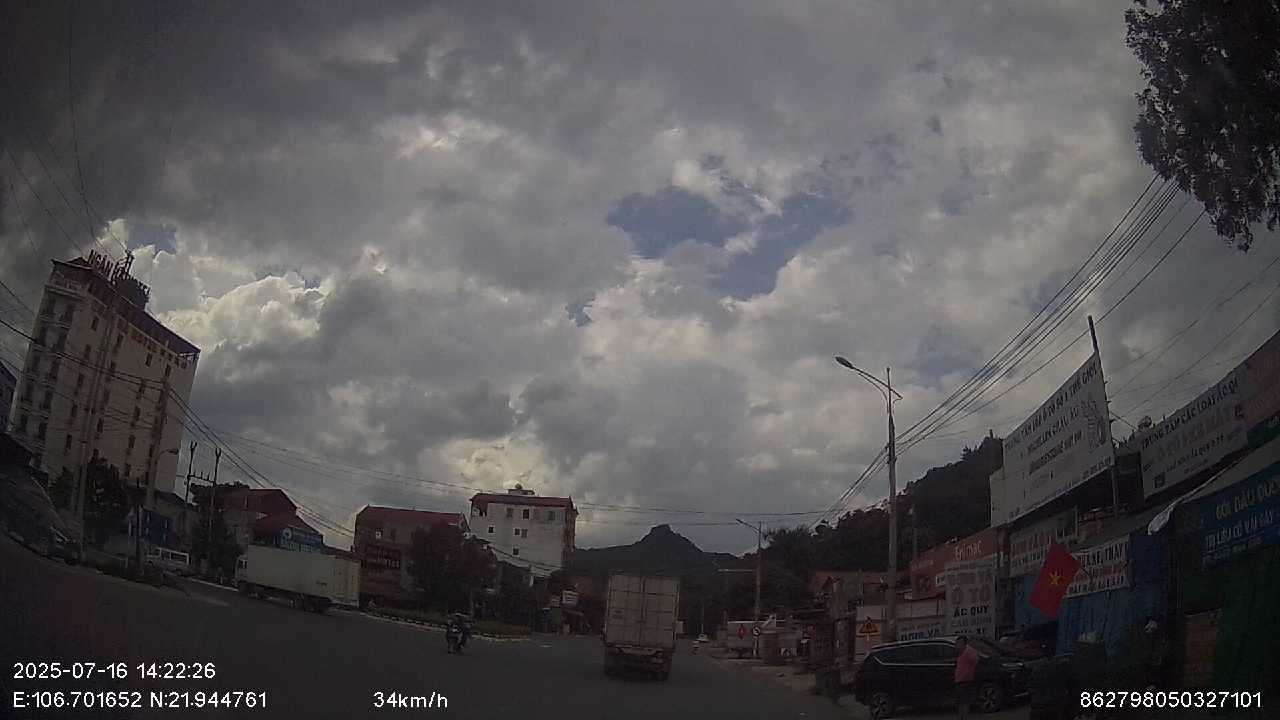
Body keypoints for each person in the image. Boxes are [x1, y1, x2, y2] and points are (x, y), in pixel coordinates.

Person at [954, 635, 980, 720]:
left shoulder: (969, 652)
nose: (957, 645)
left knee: (964, 702)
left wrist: (968, 672)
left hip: (965, 680)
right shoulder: (960, 653)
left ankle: (964, 717)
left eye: (959, 643)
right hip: (960, 680)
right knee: (961, 702)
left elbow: (975, 660)